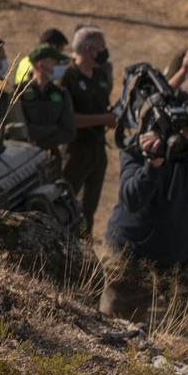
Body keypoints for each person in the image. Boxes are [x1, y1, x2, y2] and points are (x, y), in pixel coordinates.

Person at [100, 88, 188, 327]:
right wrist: (153, 165)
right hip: (132, 253)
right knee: (119, 335)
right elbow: (131, 199)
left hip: (183, 253)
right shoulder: (144, 142)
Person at [63, 25, 117, 236]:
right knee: (65, 206)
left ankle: (83, 256)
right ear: (88, 49)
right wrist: (103, 118)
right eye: (101, 47)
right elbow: (69, 119)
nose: (105, 52)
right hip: (75, 151)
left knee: (88, 210)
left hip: (97, 150)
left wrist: (112, 116)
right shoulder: (68, 77)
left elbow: (102, 106)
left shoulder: (101, 75)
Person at [6, 43, 77, 158]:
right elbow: (18, 129)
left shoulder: (61, 93)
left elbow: (69, 132)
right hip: (23, 158)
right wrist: (53, 129)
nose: (58, 66)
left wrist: (38, 142)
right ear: (41, 64)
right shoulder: (17, 92)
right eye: (55, 62)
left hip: (52, 158)